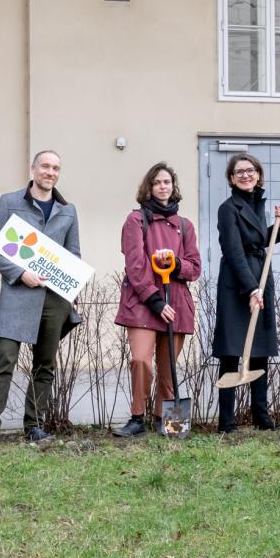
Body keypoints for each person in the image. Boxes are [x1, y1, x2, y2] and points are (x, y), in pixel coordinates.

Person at [0, 150, 84, 446]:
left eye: (56, 168)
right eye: (45, 166)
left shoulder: (68, 211)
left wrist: (71, 290)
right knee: (4, 357)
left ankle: (35, 426)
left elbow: (73, 256)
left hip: (53, 299)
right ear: (33, 169)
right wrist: (20, 274)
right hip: (18, 293)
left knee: (45, 363)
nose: (50, 172)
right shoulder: (10, 203)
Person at [111, 162, 202, 437]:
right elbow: (136, 265)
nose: (163, 186)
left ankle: (166, 420)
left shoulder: (184, 226)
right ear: (148, 188)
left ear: (173, 187)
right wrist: (155, 301)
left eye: (167, 182)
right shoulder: (136, 220)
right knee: (141, 360)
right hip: (144, 303)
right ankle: (137, 417)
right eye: (157, 182)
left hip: (176, 302)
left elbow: (194, 267)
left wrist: (175, 264)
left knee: (168, 367)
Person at [210, 153, 280, 433]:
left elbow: (256, 241)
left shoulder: (257, 203)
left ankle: (261, 417)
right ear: (231, 178)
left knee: (259, 350)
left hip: (260, 275)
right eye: (239, 171)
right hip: (236, 282)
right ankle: (226, 422)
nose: (245, 175)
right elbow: (233, 250)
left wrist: (278, 226)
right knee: (232, 351)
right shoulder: (227, 208)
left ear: (258, 174)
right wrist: (251, 288)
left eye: (250, 170)